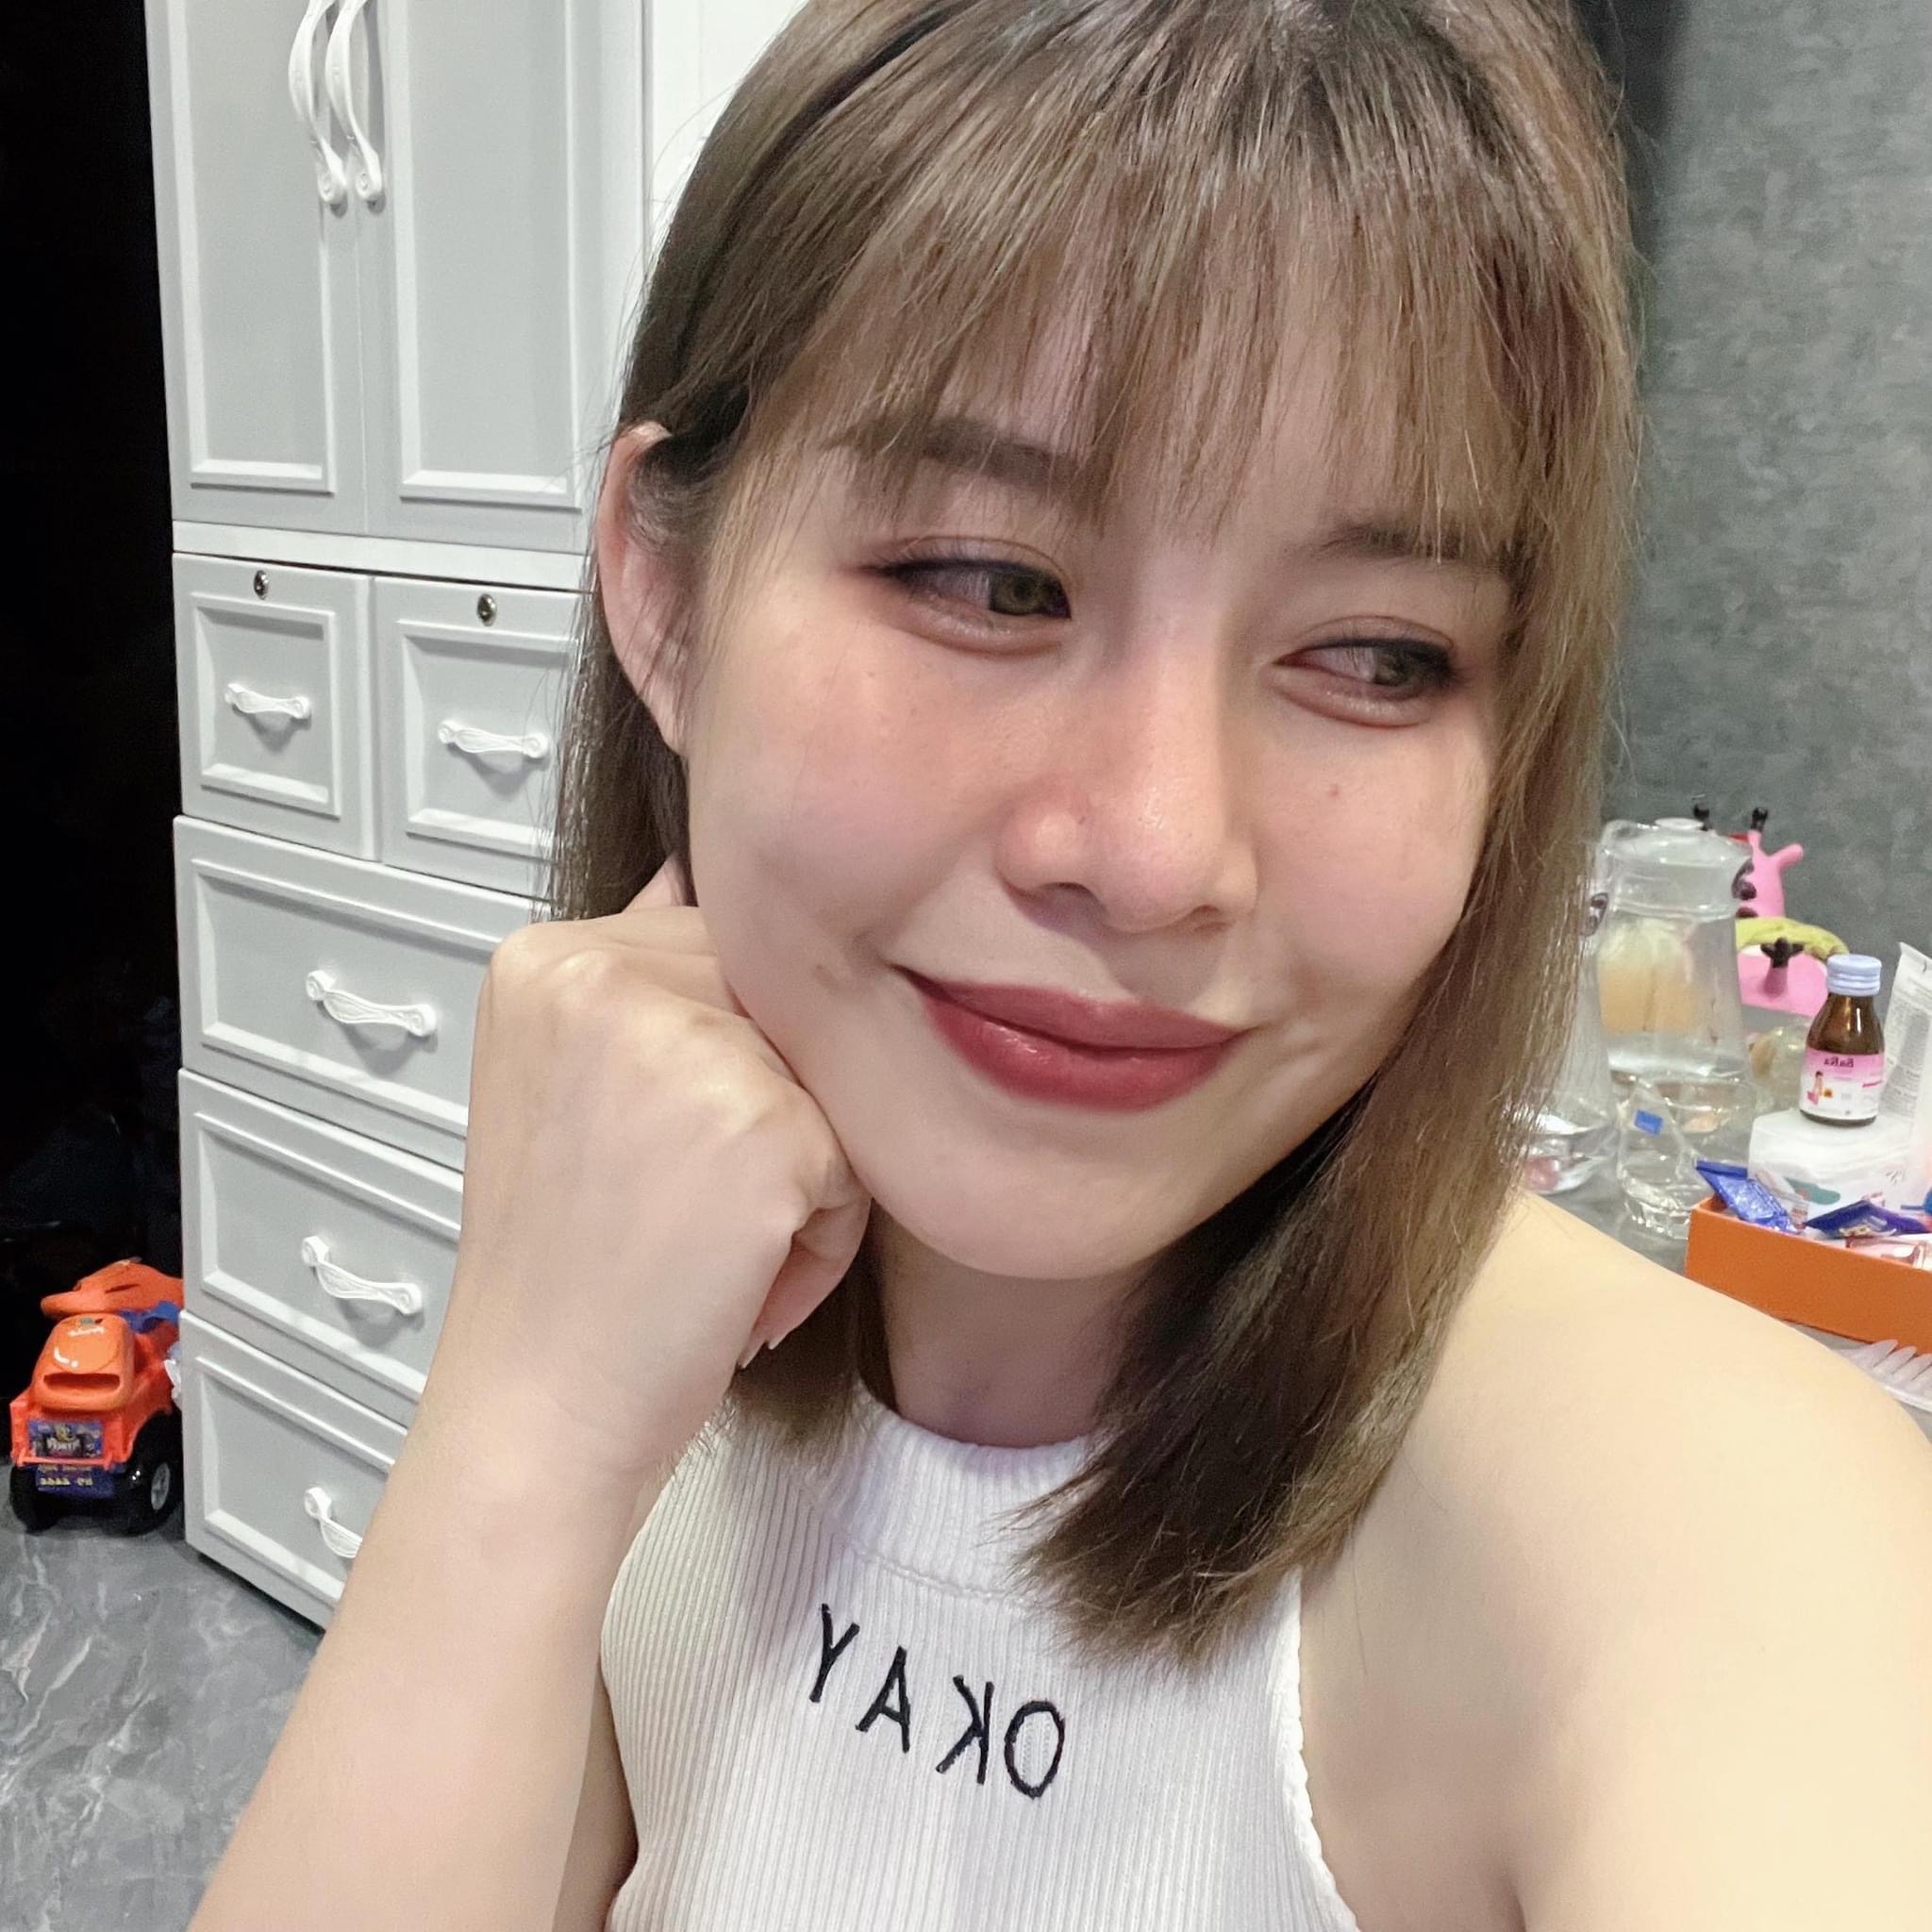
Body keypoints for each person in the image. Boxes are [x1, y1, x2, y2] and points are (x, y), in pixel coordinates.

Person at [189, 3, 1932, 1928]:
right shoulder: (650, 1299)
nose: (1158, 852)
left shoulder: (1709, 1523)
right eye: (990, 581)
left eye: (1376, 655)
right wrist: (519, 1418)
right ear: (665, 595)